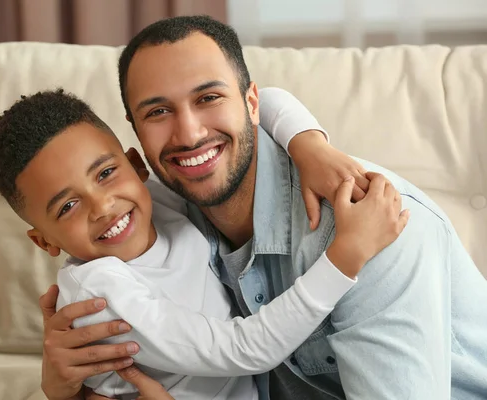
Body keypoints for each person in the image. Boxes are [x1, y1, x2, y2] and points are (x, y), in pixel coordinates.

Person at [39, 15, 487, 400]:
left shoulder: (370, 228)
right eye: (158, 112)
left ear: (249, 102)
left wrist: (309, 145)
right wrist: (63, 384)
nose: (189, 134)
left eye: (208, 98)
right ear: (134, 134)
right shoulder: (158, 207)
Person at [0, 88, 405, 399]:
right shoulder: (100, 292)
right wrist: (345, 257)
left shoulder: (156, 204)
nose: (103, 206)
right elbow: (245, 349)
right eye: (68, 205)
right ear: (44, 241)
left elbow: (263, 96)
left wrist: (310, 147)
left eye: (106, 173)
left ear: (134, 164)